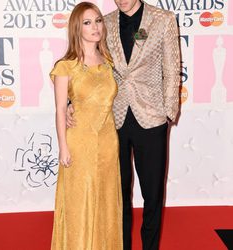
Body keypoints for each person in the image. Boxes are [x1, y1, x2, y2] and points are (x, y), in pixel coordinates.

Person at [67, 0, 180, 249]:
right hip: (111, 120)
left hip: (151, 118)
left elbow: (172, 69)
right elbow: (84, 61)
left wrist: (169, 111)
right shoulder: (103, 22)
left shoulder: (163, 19)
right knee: (118, 196)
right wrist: (70, 100)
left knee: (152, 195)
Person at [50, 2, 123, 249]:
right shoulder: (66, 65)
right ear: (76, 28)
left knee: (106, 200)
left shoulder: (109, 60)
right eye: (87, 22)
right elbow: (61, 108)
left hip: (108, 141)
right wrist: (63, 147)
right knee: (80, 203)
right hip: (79, 142)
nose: (95, 27)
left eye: (98, 21)